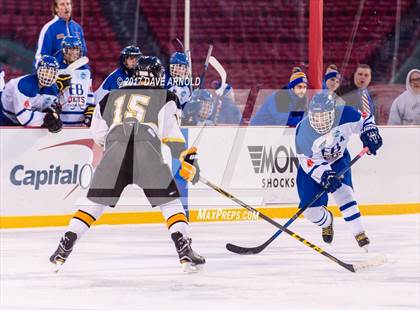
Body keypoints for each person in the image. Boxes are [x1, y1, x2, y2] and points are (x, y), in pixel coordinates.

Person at [49, 56, 205, 272]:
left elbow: (99, 136)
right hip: (146, 149)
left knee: (95, 204)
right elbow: (173, 136)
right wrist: (188, 161)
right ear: (156, 77)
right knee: (169, 203)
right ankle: (184, 249)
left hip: (114, 150)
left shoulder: (109, 97)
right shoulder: (166, 96)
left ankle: (65, 244)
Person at [295, 92, 383, 250]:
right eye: (316, 116)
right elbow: (306, 161)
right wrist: (324, 175)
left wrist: (370, 132)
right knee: (310, 212)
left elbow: (366, 119)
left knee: (344, 193)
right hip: (313, 167)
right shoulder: (303, 131)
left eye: (324, 116)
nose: (320, 121)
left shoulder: (346, 114)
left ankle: (360, 234)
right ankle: (328, 221)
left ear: (333, 112)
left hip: (338, 160)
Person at [0, 56, 64, 132]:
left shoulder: (53, 89)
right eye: (45, 71)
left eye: (51, 73)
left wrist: (54, 115)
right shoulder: (24, 85)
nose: (48, 76)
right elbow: (24, 119)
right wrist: (45, 119)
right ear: (38, 70)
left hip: (18, 119)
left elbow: (48, 110)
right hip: (4, 117)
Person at [34, 0, 87, 68]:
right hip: (57, 75)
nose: (66, 7)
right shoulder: (49, 28)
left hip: (75, 74)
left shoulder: (77, 28)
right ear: (56, 8)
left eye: (68, 4)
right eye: (62, 4)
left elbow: (83, 52)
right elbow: (41, 56)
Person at [57, 36, 95, 126]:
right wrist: (56, 87)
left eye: (76, 49)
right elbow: (50, 95)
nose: (74, 52)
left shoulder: (86, 70)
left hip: (81, 123)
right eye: (70, 49)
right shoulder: (57, 69)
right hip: (62, 122)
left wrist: (89, 112)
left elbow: (89, 94)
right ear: (63, 50)